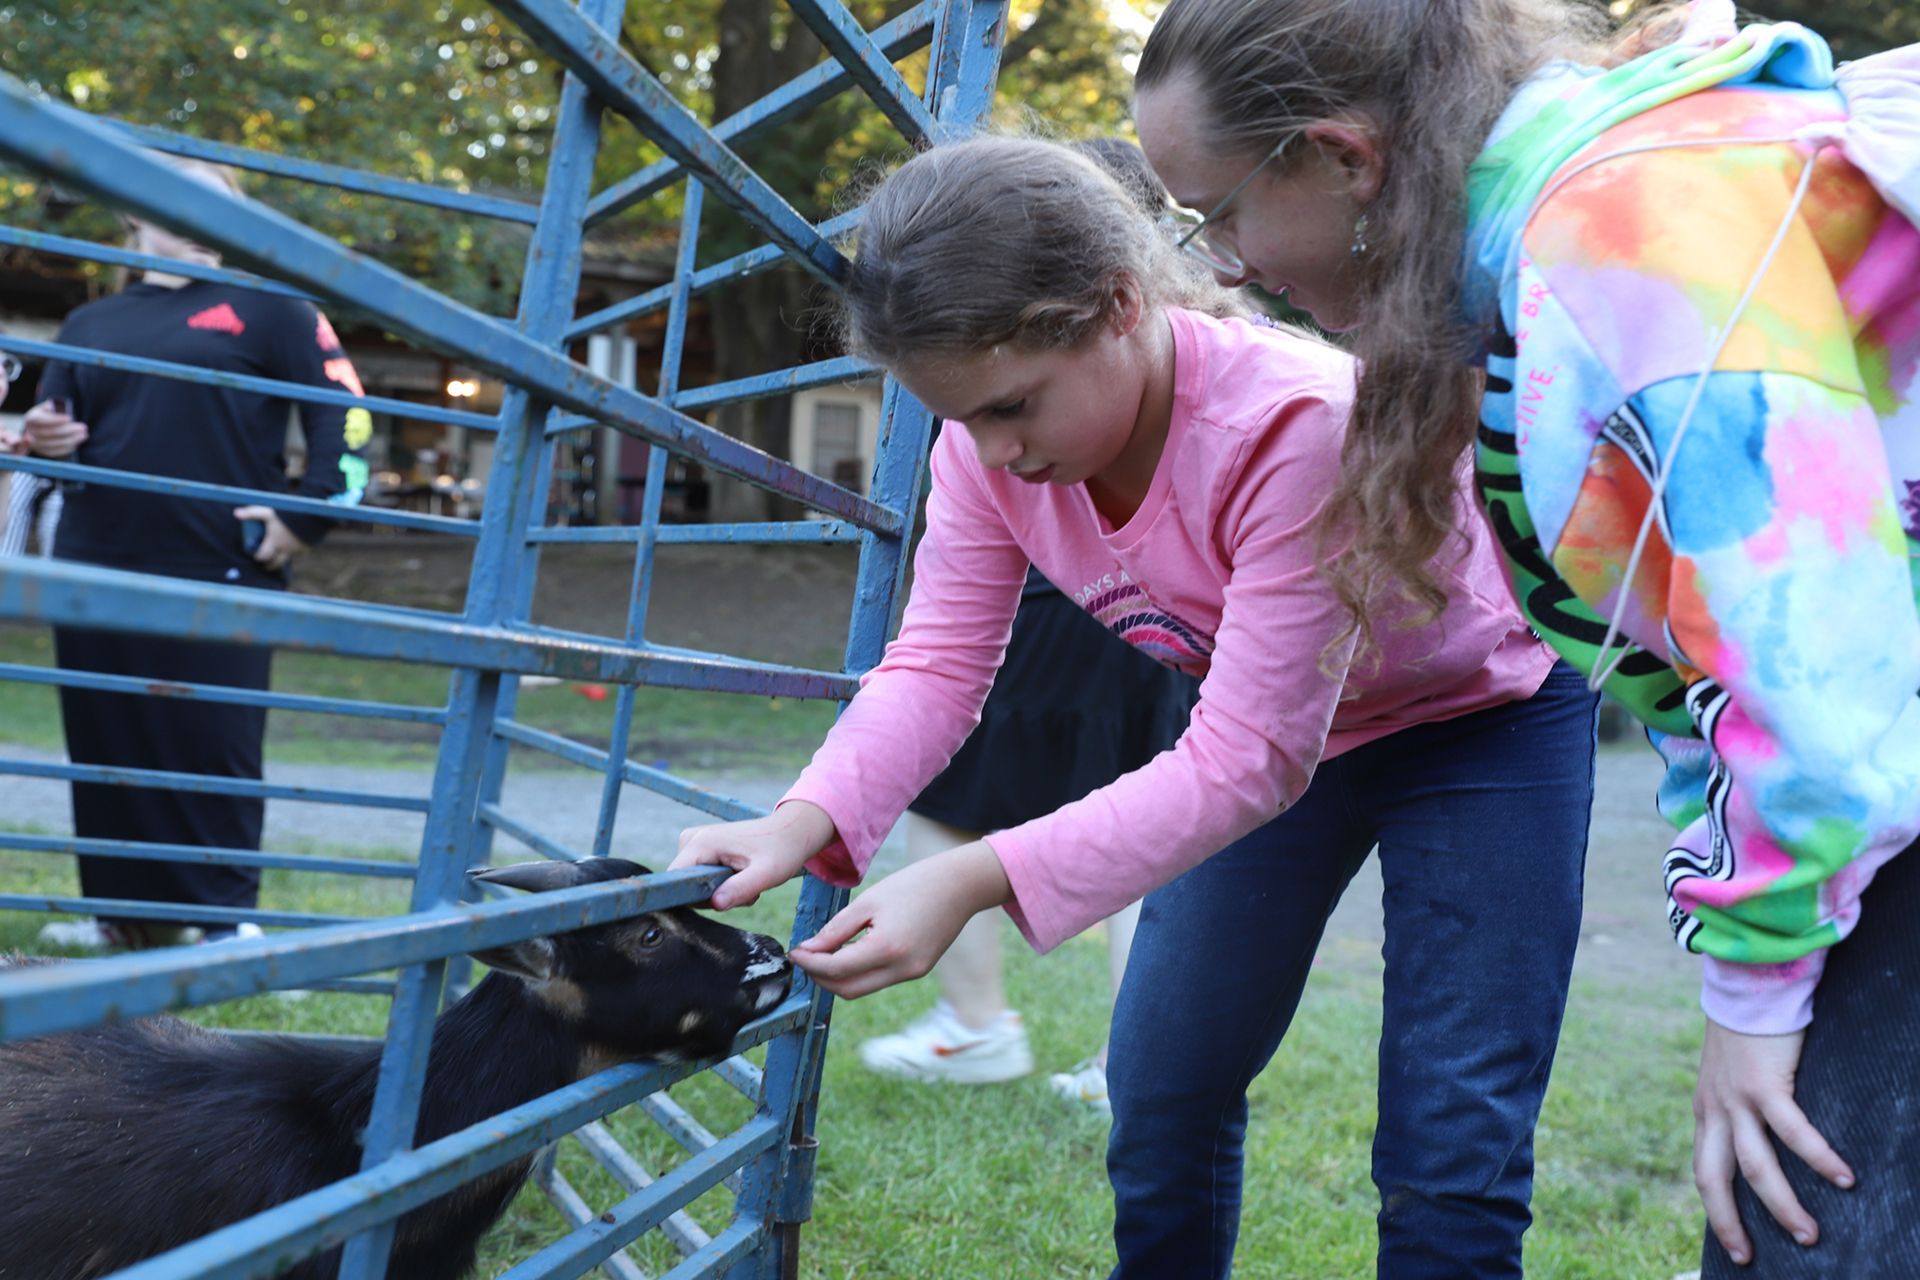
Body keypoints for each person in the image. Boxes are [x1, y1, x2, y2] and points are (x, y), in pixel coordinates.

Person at [676, 134, 1600, 1278]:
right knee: (1160, 1081)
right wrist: (801, 819)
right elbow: (936, 665)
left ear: (1118, 304)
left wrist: (973, 875)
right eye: (964, 420)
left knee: (1450, 1134)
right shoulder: (985, 452)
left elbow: (1251, 756)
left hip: (1480, 715)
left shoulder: (1295, 425)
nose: (997, 453)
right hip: (1270, 728)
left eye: (1015, 407)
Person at [1131, 1, 1920, 1275]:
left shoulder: (1615, 243)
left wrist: (1757, 988)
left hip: (1882, 751)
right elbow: (1689, 655)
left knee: (1810, 1222)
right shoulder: (1543, 244)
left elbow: (1817, 655)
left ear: (1343, 157)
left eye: (1218, 211)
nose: (1222, 265)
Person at [856, 139, 1200, 1115]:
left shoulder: (1177, 365)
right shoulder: (1141, 350)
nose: (996, 448)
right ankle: (1116, 1060)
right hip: (1143, 635)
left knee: (952, 797)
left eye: (1009, 410)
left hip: (1067, 615)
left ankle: (981, 1025)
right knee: (1138, 827)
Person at [25, 156, 370, 950]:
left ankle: (221, 920)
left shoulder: (277, 307)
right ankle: (119, 918)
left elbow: (349, 419)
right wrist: (50, 438)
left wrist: (307, 517)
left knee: (213, 742)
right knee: (106, 734)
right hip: (94, 560)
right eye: (176, 201)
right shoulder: (90, 323)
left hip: (221, 564)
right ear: (133, 216)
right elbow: (53, 433)